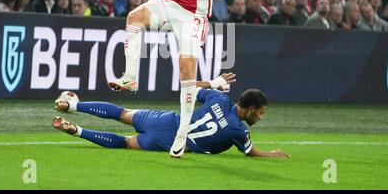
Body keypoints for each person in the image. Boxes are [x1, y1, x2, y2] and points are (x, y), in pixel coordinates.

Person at [107, 0, 303, 158]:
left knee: (186, 68)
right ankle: (130, 77)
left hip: (193, 14)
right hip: (167, 3)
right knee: (133, 17)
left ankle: (182, 134)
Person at [52, 73, 290, 158]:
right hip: (173, 142)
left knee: (121, 112)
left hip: (166, 120)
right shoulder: (239, 130)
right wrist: (274, 154)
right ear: (249, 109)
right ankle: (78, 131)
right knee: (124, 143)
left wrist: (213, 82)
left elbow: (186, 85)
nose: (261, 117)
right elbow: (251, 153)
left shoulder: (219, 98)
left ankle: (74, 105)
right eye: (260, 112)